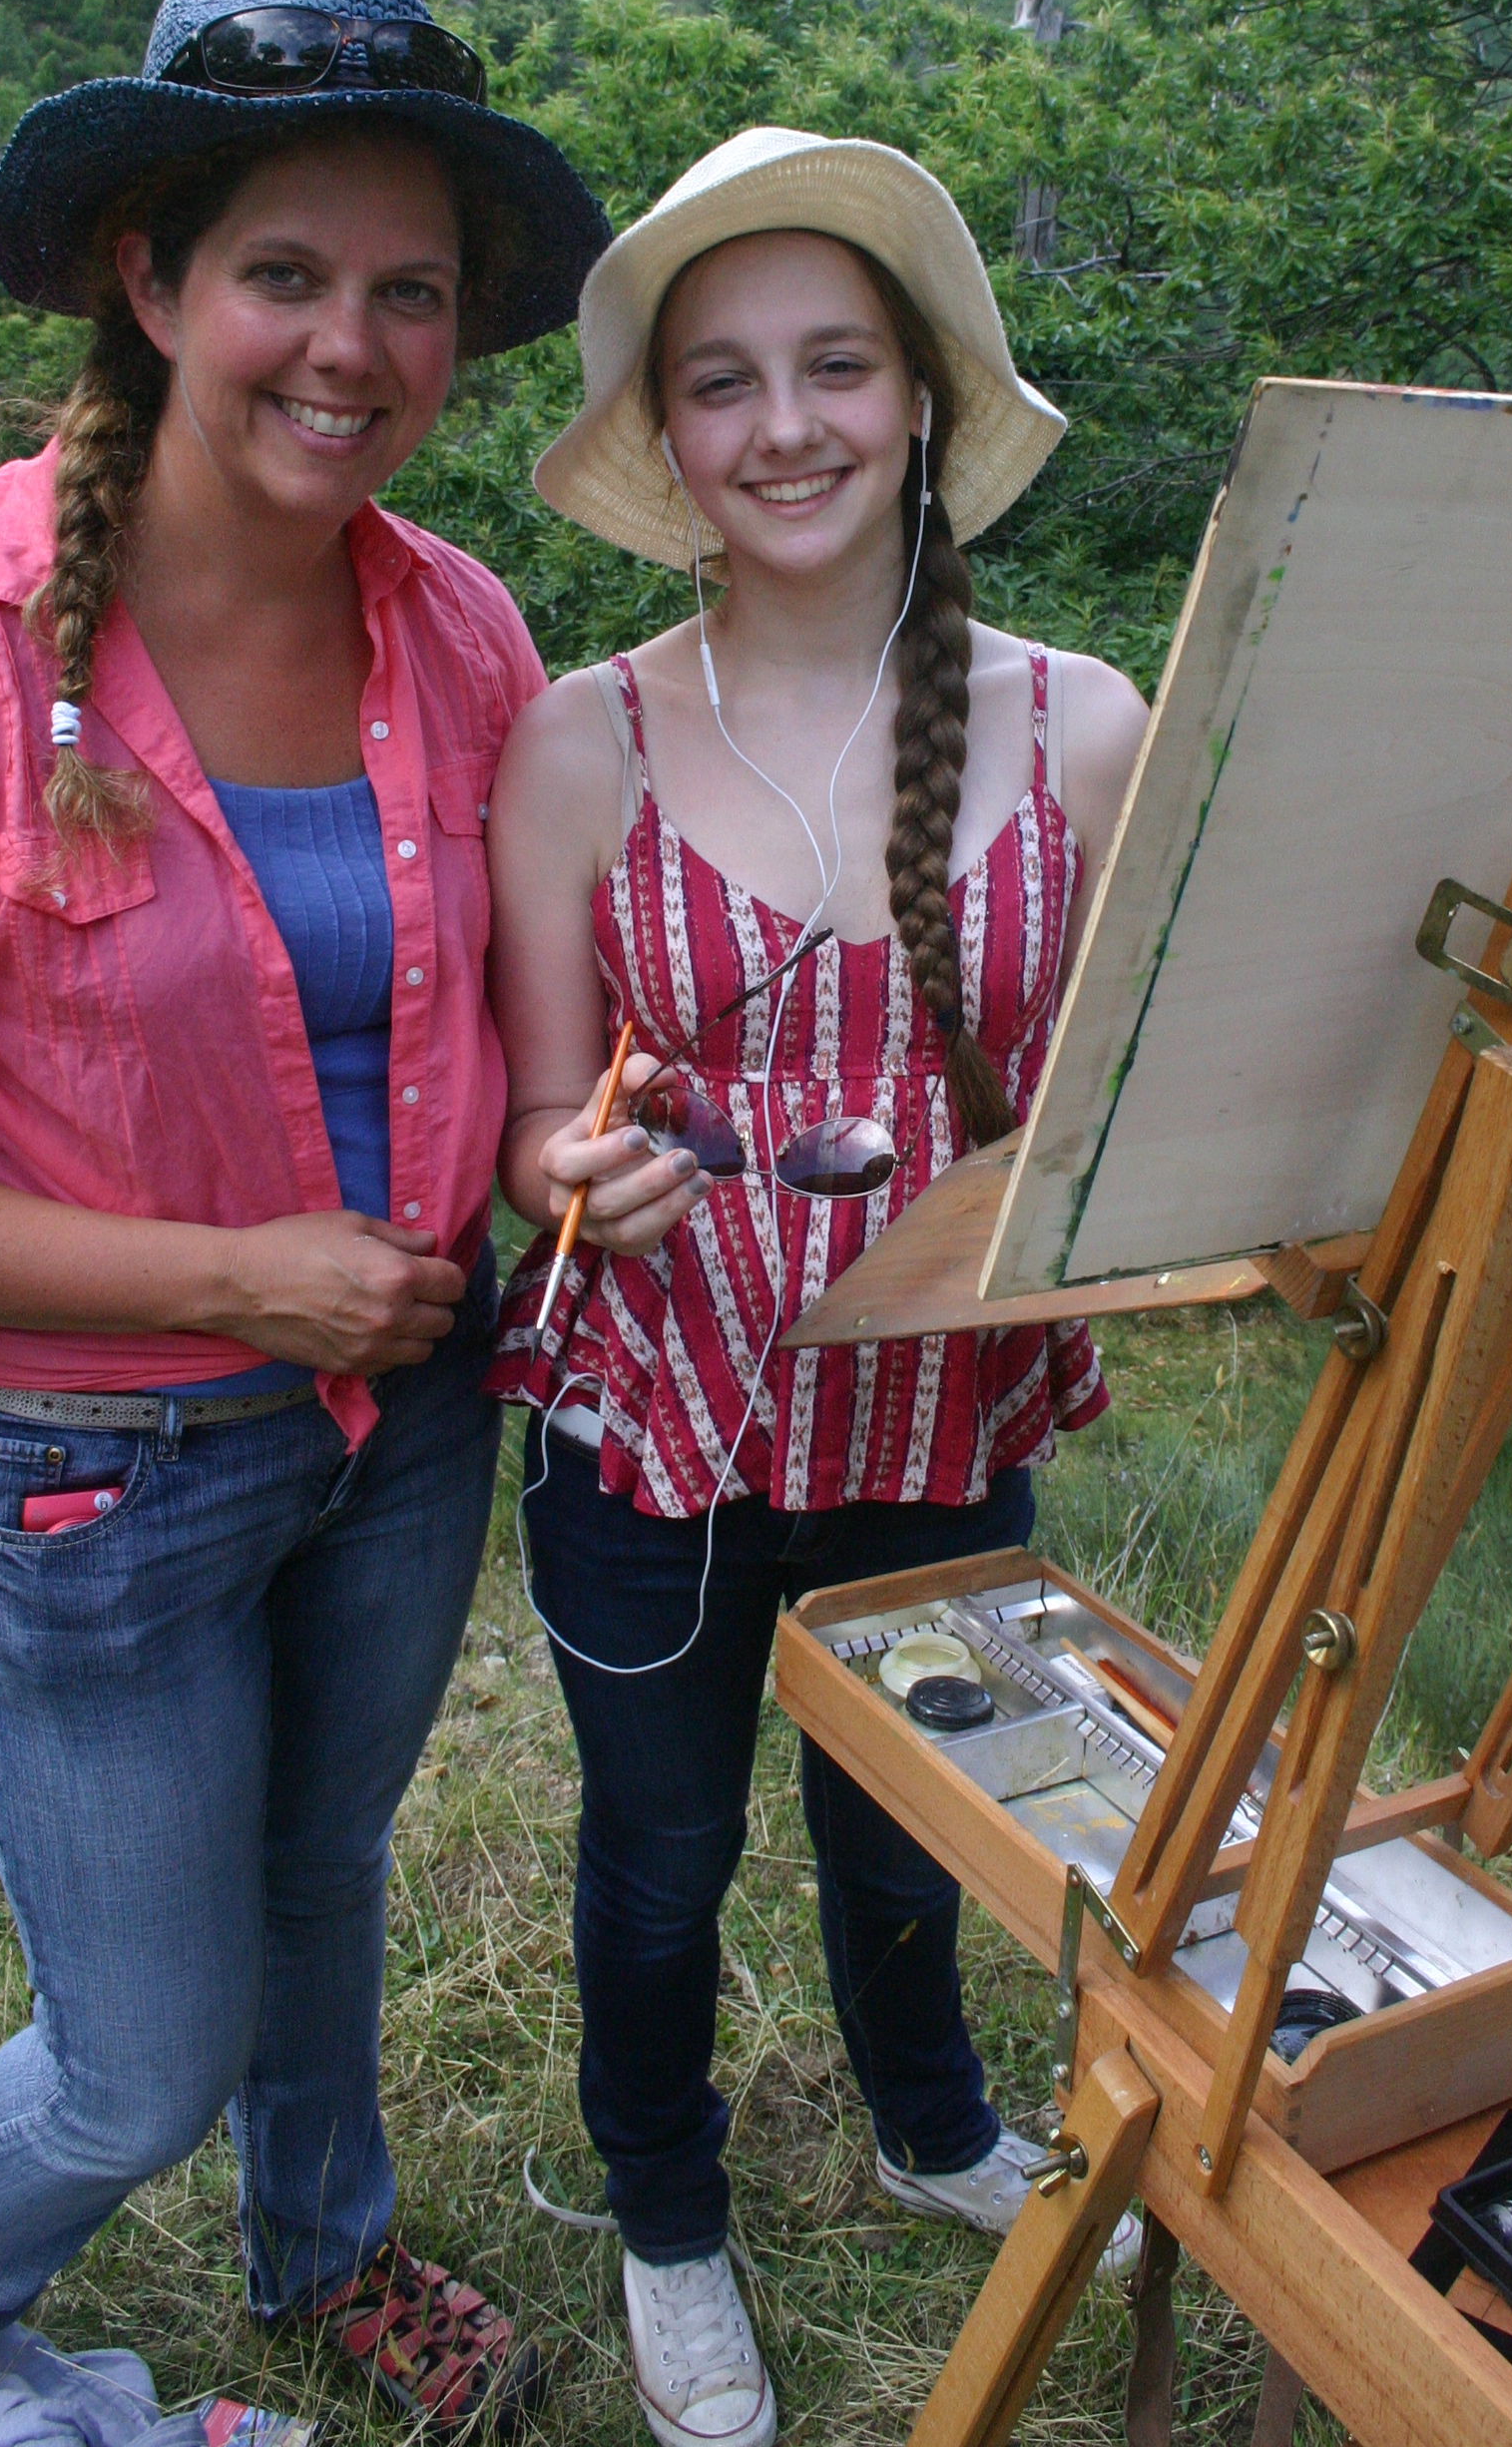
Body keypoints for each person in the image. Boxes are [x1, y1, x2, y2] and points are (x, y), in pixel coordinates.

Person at [0, 0, 611, 2447]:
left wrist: (570, 1141)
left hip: (398, 1432)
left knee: (324, 1880)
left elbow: (508, 1039)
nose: (350, 347)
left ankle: (328, 2243)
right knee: (135, 2055)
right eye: (285, 273)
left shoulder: (463, 630)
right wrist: (238, 1280)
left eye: (411, 294)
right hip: (91, 1478)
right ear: (151, 278)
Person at [485, 126, 1152, 2447]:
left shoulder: (1080, 725)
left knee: (912, 1831)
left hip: (935, 1435)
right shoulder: (580, 739)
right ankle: (667, 2217)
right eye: (727, 381)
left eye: (838, 367)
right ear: (666, 436)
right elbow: (528, 1129)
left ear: (919, 401)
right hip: (646, 1441)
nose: (788, 426)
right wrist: (567, 1167)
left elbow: (1108, 1119)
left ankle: (936, 2122)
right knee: (659, 1865)